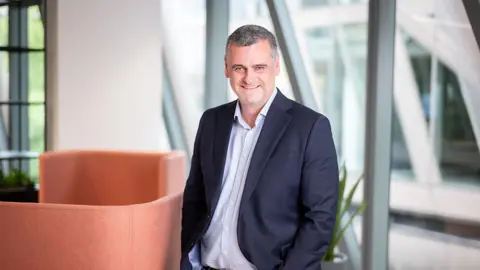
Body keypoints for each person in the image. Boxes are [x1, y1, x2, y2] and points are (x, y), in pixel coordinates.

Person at [180, 24, 339, 270]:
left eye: (259, 67)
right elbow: (195, 198)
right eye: (239, 68)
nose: (248, 78)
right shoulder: (211, 121)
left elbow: (320, 219)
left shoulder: (310, 127)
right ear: (226, 68)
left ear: (276, 66)